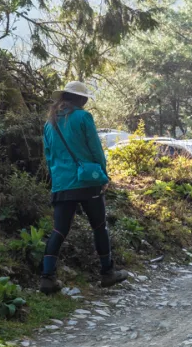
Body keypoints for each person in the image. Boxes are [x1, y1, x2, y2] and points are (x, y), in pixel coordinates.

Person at [40, 81, 128, 295]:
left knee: (59, 230)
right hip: (87, 181)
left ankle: (47, 278)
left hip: (62, 183)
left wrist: (57, 181)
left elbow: (48, 156)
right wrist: (103, 174)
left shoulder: (49, 124)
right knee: (99, 226)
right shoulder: (83, 117)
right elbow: (95, 150)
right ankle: (107, 272)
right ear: (80, 99)